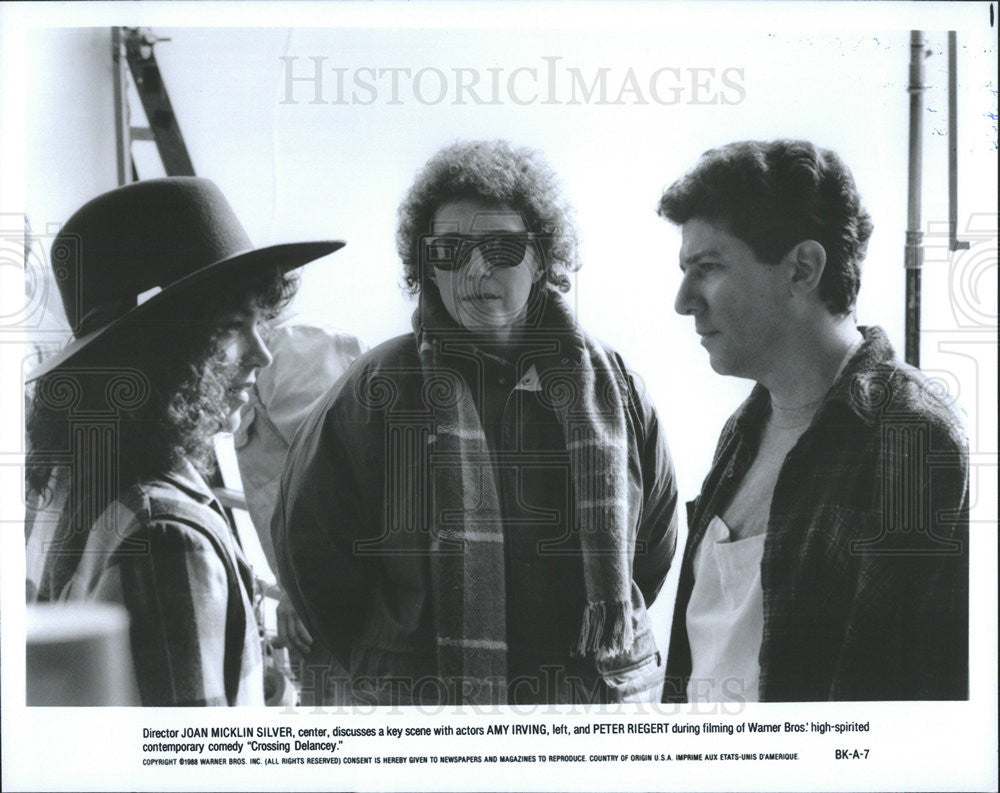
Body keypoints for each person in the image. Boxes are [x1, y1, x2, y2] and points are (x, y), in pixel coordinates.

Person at [274, 140, 679, 706]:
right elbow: (312, 553)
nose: (475, 269)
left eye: (502, 248)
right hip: (423, 718)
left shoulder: (618, 390)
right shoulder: (376, 388)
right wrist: (392, 661)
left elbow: (654, 546)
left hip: (585, 710)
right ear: (426, 267)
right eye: (450, 250)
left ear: (542, 259)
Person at [658, 139, 969, 702]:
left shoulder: (913, 438)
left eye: (708, 268)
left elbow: (914, 709)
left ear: (802, 268)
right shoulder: (742, 430)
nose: (683, 301)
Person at [25, 177, 343, 706]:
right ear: (161, 350)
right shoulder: (166, 535)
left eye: (260, 322)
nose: (262, 355)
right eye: (231, 325)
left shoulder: (74, 482)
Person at [232, 319, 365, 703]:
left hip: (338, 593)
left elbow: (340, 467)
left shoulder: (290, 351)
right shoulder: (246, 366)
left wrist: (301, 584)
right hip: (318, 600)